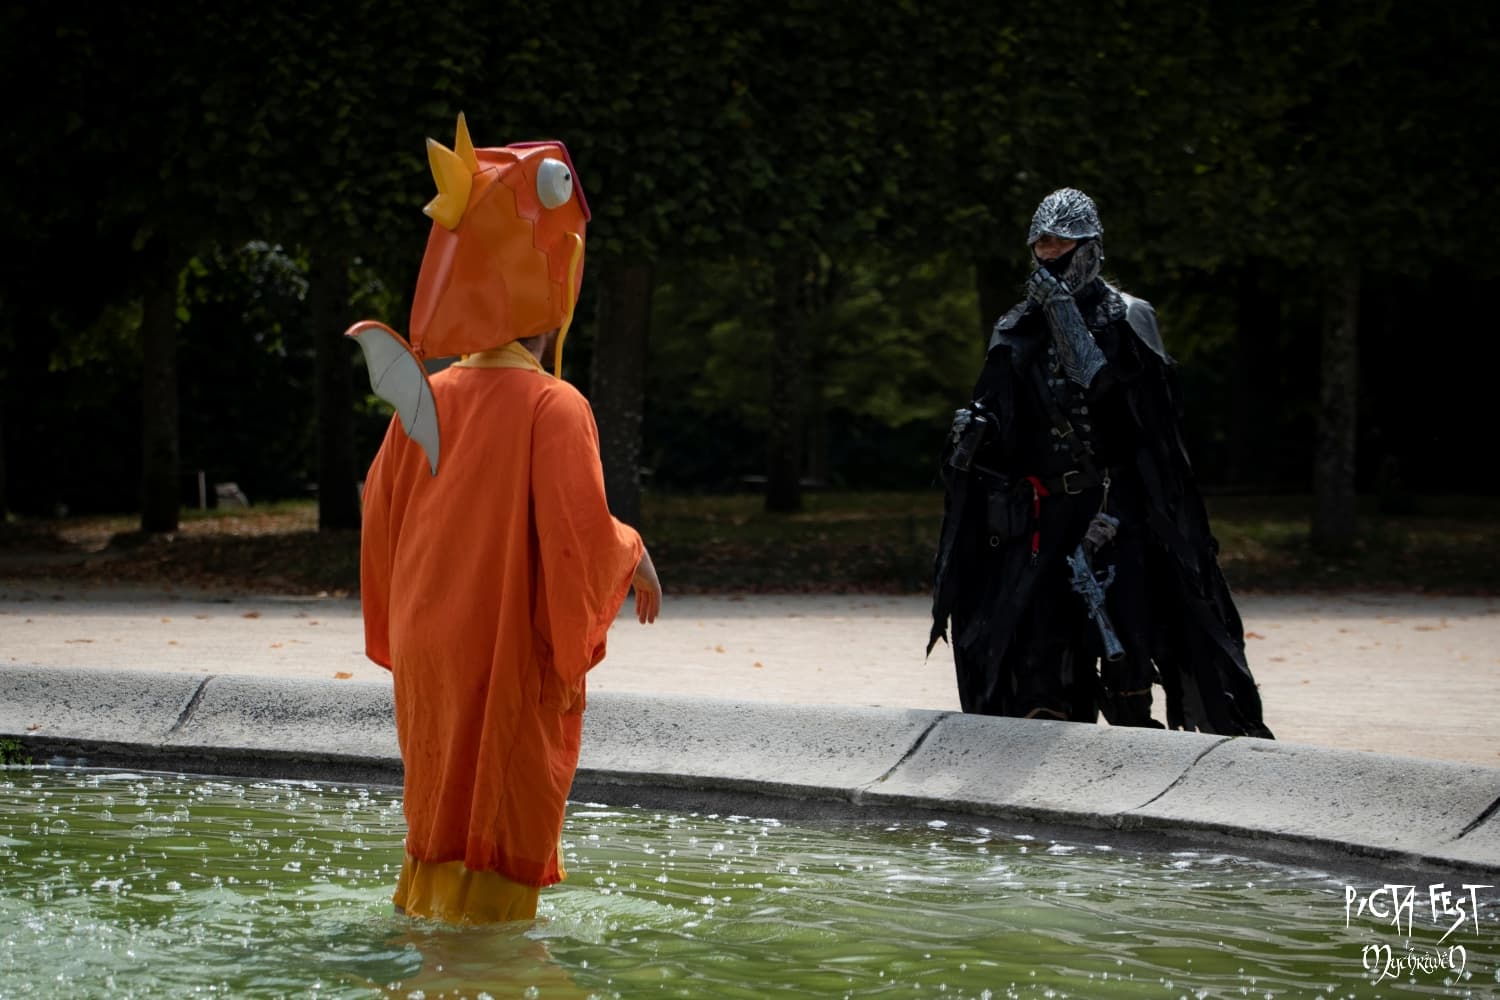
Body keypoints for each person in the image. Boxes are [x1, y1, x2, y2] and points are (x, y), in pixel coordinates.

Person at [352, 113, 663, 924]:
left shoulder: (426, 400)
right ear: (553, 296)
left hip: (430, 641)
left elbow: (378, 517)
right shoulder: (553, 405)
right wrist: (632, 552)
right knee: (498, 820)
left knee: (436, 827)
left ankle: (429, 942)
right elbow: (578, 541)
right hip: (498, 642)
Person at [928, 187, 1272, 738]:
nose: (1049, 254)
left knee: (1127, 638)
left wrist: (1066, 316)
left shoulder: (1129, 316)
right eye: (1041, 243)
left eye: (1062, 242)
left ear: (1089, 247)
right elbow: (1000, 414)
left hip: (1119, 506)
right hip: (1043, 510)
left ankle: (1134, 749)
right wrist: (976, 435)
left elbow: (1131, 406)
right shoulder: (1016, 325)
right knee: (1037, 637)